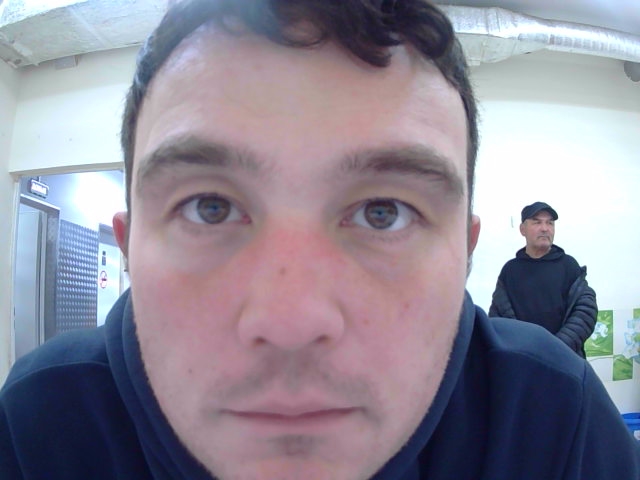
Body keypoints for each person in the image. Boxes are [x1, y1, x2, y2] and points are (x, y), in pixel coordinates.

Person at [1, 1, 638, 479]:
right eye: (210, 208)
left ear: (466, 252)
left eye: (384, 212)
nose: (291, 323)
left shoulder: (552, 416)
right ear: (130, 245)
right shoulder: (42, 423)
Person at [488, 201, 598, 358]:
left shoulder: (569, 266)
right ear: (522, 229)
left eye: (550, 223)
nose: (545, 228)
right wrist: (523, 352)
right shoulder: (510, 270)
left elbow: (585, 312)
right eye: (537, 222)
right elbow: (498, 319)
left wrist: (555, 350)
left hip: (565, 360)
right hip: (523, 361)